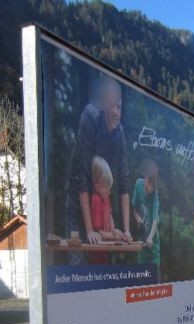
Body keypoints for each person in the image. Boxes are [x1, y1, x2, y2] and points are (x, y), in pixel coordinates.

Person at [65, 77, 131, 264]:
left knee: (101, 262)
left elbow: (124, 181)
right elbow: (82, 174)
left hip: (101, 199)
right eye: (113, 106)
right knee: (78, 263)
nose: (117, 113)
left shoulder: (120, 134)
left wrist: (125, 230)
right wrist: (89, 231)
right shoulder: (90, 116)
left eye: (120, 107)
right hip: (79, 198)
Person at [87, 156, 123, 264]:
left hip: (106, 249)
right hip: (97, 252)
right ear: (97, 187)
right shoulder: (96, 200)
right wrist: (113, 236)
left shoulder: (105, 198)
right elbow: (97, 233)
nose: (109, 192)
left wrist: (114, 230)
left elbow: (109, 214)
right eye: (107, 188)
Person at [132, 159, 160, 273]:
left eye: (150, 187)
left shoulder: (155, 196)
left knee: (154, 277)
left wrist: (150, 237)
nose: (146, 187)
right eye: (146, 183)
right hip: (142, 243)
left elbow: (155, 220)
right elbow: (135, 210)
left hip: (153, 247)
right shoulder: (138, 184)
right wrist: (138, 219)